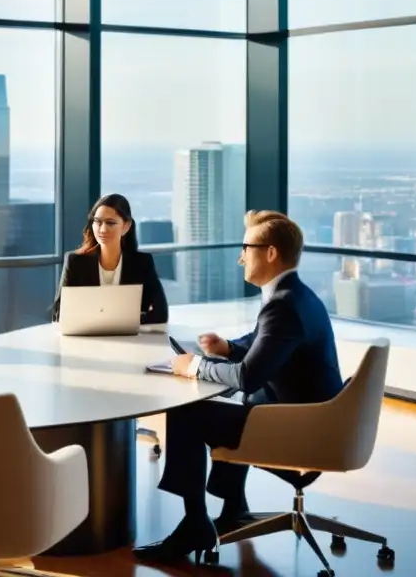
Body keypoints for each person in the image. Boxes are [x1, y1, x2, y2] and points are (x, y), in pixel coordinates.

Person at [134, 210, 344, 565]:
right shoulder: (295, 295)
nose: (240, 256)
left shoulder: (284, 306)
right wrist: (228, 348)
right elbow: (268, 341)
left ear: (271, 253)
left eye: (247, 247)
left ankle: (194, 524)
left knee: (187, 411)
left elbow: (248, 377)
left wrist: (196, 366)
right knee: (234, 405)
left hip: (301, 432)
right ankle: (232, 506)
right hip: (313, 418)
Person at [51, 193, 168, 325]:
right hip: (86, 339)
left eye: (110, 223)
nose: (103, 229)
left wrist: (121, 323)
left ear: (126, 226)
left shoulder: (142, 263)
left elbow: (161, 312)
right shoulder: (75, 262)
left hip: (130, 340)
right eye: (97, 222)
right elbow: (58, 313)